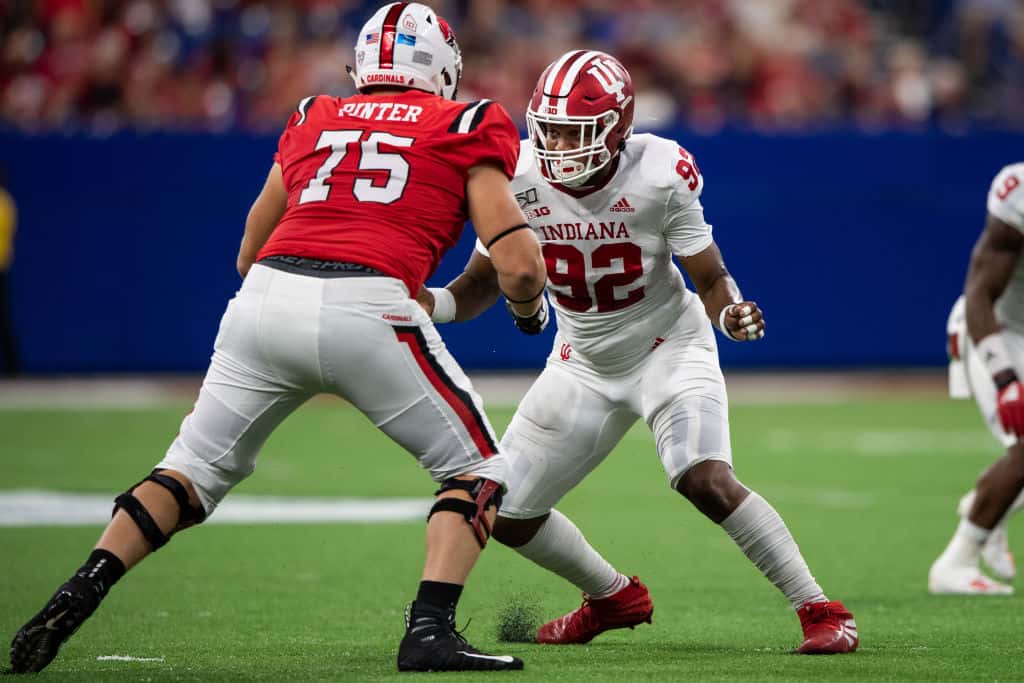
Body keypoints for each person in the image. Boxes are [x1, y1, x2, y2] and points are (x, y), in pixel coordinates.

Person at [8, 3, 547, 674]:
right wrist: (528, 311)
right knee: (478, 469)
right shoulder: (465, 122)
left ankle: (85, 581)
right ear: (441, 69)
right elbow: (519, 265)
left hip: (264, 300)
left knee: (189, 472)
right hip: (368, 305)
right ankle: (430, 629)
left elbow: (248, 251)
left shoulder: (312, 114)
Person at [418, 50, 858, 654]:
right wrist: (430, 303)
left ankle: (820, 608)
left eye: (573, 133)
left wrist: (729, 313)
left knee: (703, 478)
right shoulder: (515, 174)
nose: (556, 147)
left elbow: (711, 278)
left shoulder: (659, 171)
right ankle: (611, 596)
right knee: (509, 512)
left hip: (667, 346)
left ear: (618, 129)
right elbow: (478, 286)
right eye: (547, 129)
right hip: (582, 361)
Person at [929, 163, 1024, 595]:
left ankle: (992, 503)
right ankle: (956, 561)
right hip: (997, 331)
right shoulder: (1017, 190)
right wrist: (1005, 378)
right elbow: (981, 292)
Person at [0, 166, 17, 376]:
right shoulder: (7, 202)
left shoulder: (3, 203)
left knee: (3, 319)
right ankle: (12, 365)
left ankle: (12, 365)